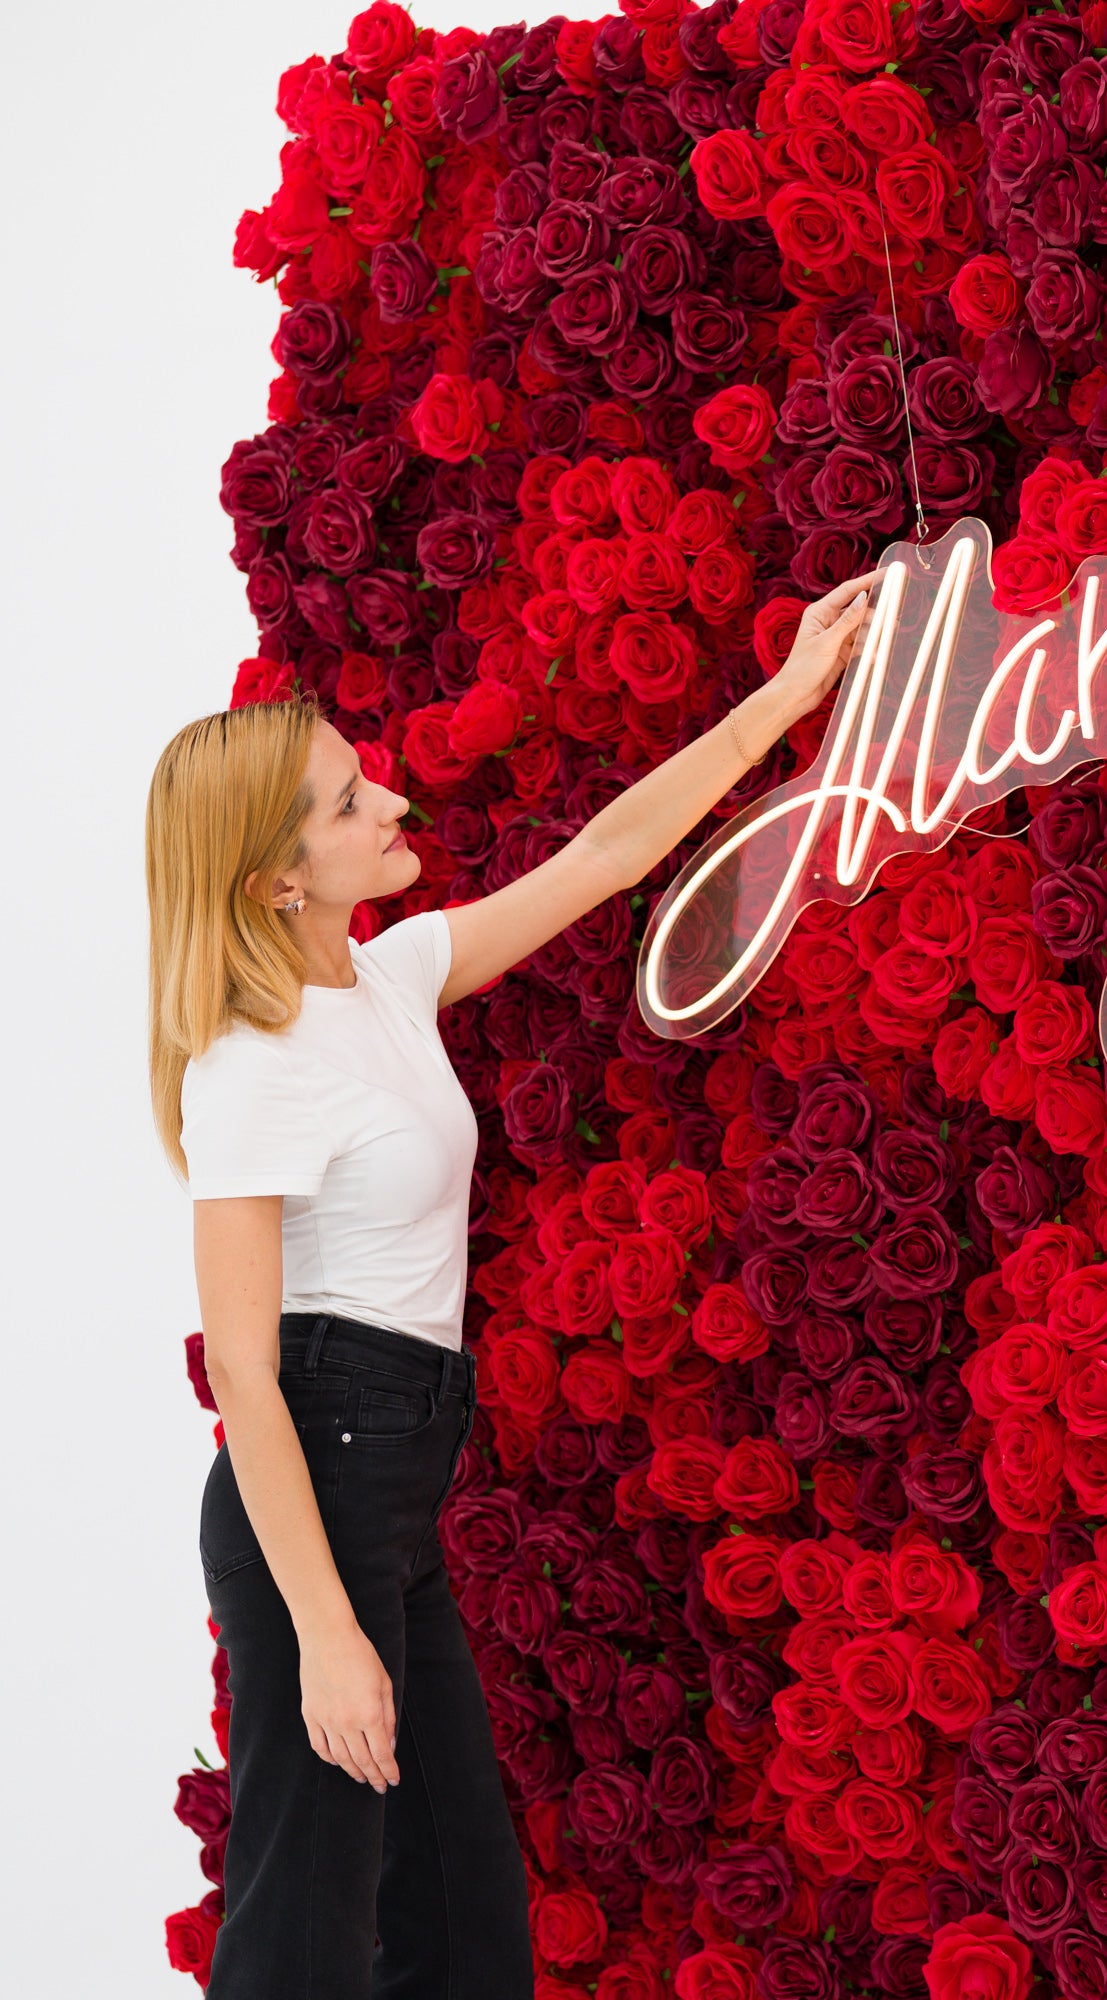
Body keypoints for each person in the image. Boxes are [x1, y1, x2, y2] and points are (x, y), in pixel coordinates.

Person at [145, 571, 877, 1998]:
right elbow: (243, 1373)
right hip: (321, 1485)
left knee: (465, 1931)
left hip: (393, 1484)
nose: (392, 809)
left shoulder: (392, 978)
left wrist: (787, 699)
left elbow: (605, 854)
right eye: (351, 806)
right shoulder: (251, 1070)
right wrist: (324, 1635)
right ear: (277, 879)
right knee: (300, 1932)